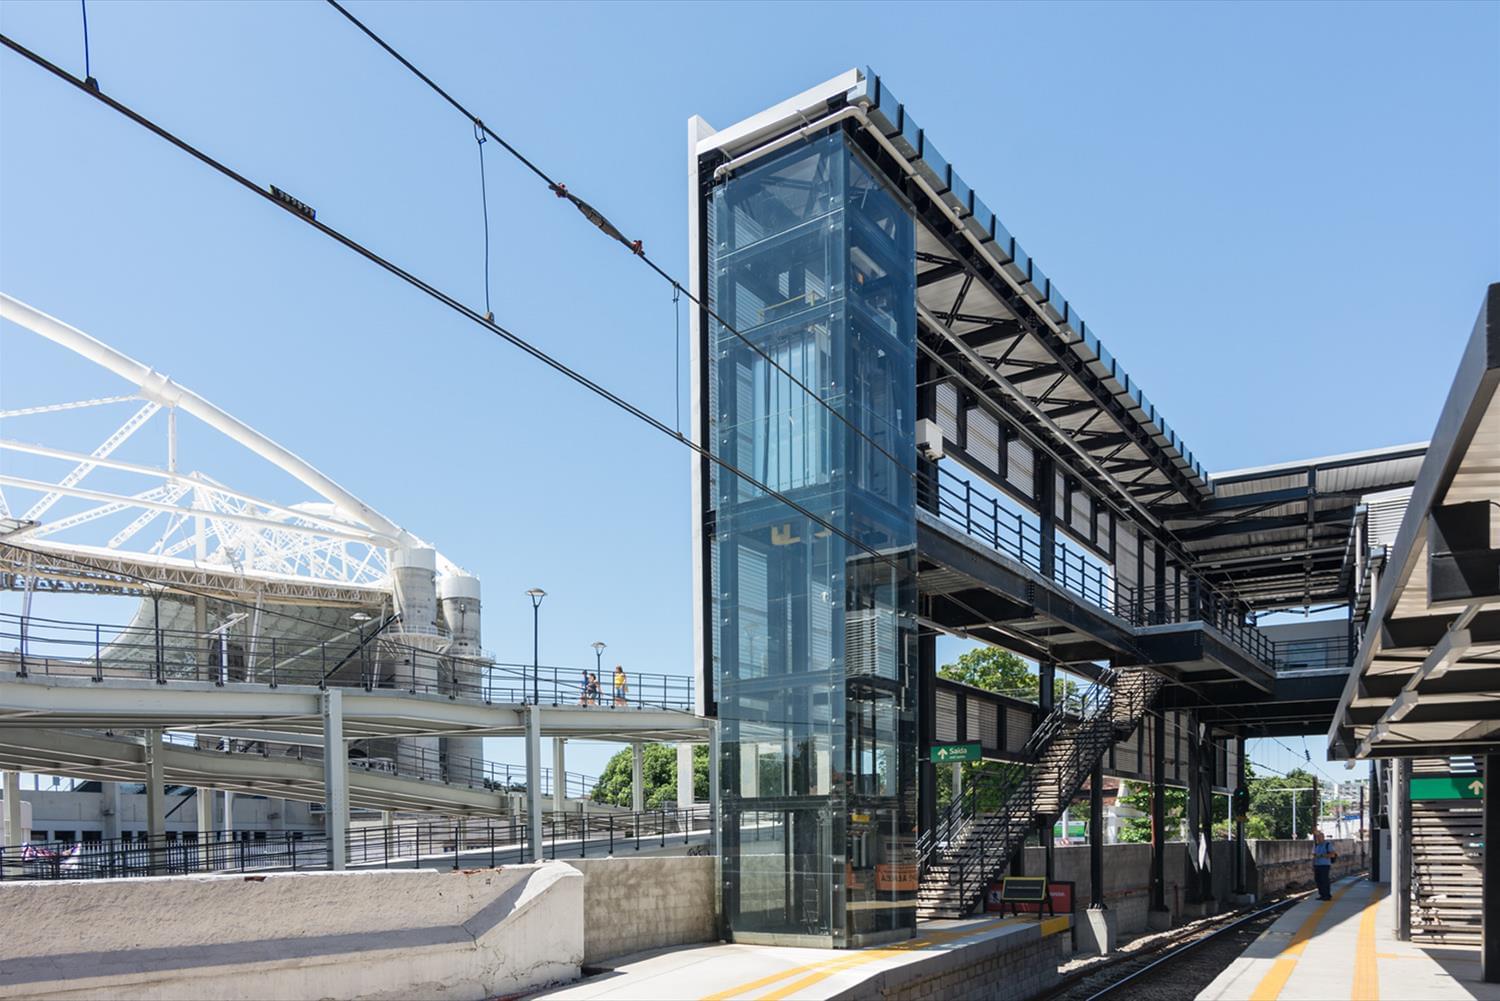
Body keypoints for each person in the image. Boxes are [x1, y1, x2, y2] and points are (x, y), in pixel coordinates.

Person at [1312, 829, 1337, 899]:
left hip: (1325, 865)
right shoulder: (1316, 845)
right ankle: (1322, 894)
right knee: (1318, 880)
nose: (1318, 839)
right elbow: (1314, 855)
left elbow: (1332, 854)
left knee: (1324, 880)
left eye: (1320, 837)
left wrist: (1322, 855)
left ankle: (1327, 895)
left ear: (1323, 837)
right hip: (1317, 865)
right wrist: (1313, 864)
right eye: (1317, 837)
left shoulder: (1327, 844)